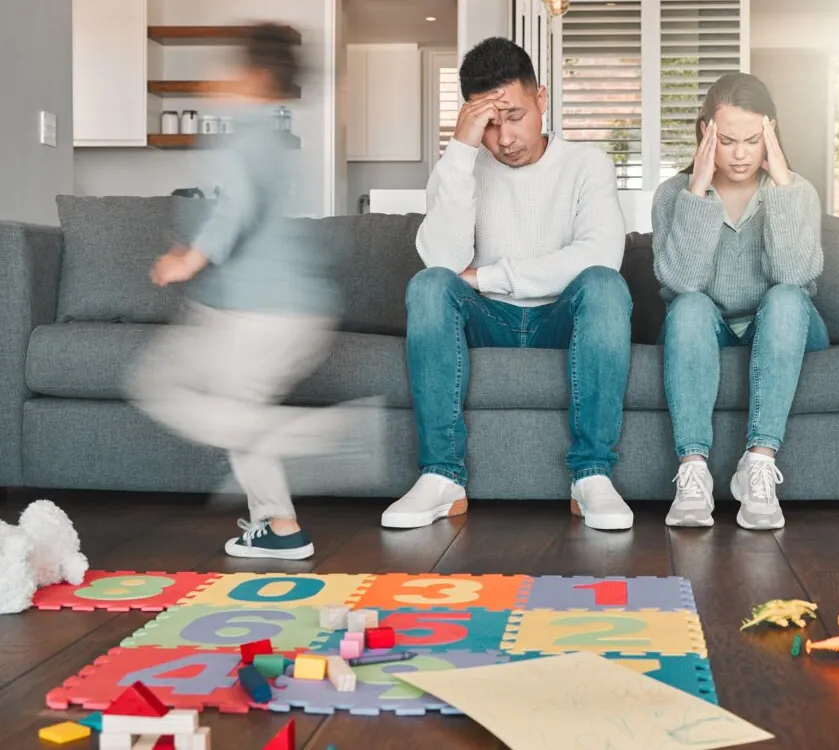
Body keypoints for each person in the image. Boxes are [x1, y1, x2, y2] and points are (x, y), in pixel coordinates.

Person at [128, 24, 382, 560]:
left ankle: (320, 437)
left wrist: (191, 258)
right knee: (235, 409)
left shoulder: (245, 133)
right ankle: (280, 526)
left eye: (232, 66)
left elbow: (236, 203)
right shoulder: (272, 135)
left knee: (159, 386)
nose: (220, 76)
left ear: (255, 77)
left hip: (260, 310)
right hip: (281, 309)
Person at [382, 37, 633, 531]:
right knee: (429, 286)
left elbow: (601, 255)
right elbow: (442, 262)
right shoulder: (463, 165)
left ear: (541, 99)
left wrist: (493, 275)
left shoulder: (588, 165)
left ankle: (592, 476)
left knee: (605, 285)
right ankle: (441, 478)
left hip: (559, 316)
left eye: (515, 116)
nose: (505, 139)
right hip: (488, 319)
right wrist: (459, 150)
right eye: (489, 125)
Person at [651, 73, 827, 530]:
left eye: (753, 140)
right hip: (709, 325)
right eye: (728, 141)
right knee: (687, 306)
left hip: (784, 324)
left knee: (788, 297)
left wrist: (782, 182)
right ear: (706, 132)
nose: (742, 153)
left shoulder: (797, 191)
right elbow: (682, 283)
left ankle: (758, 466)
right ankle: (692, 471)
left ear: (771, 132)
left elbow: (793, 275)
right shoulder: (674, 195)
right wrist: (698, 191)